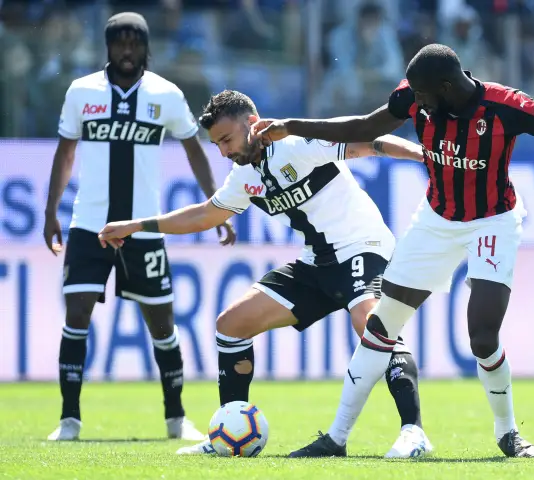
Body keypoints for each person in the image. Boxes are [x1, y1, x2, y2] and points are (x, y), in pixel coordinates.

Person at [250, 43, 534, 458]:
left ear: (448, 86)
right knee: (382, 324)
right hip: (436, 219)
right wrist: (292, 125)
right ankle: (336, 438)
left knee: (482, 334)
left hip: (493, 220)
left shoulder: (506, 105)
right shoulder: (414, 96)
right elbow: (363, 126)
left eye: (422, 96)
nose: (415, 103)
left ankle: (508, 434)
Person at [97, 89, 433, 459]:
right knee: (231, 324)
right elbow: (206, 215)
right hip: (316, 262)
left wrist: (422, 155)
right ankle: (227, 433)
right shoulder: (243, 175)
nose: (223, 151)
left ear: (251, 124)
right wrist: (135, 226)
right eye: (216, 144)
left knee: (371, 325)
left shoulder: (296, 141)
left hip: (362, 246)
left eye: (226, 139)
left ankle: (413, 432)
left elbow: (370, 142)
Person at [43, 12, 235, 441]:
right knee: (76, 316)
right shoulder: (82, 92)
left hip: (142, 230)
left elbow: (194, 148)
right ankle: (69, 420)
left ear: (146, 48)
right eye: (118, 44)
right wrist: (49, 211)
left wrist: (216, 205)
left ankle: (175, 417)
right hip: (88, 225)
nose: (126, 52)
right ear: (107, 47)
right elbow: (65, 153)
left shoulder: (165, 94)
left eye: (134, 44)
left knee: (162, 324)